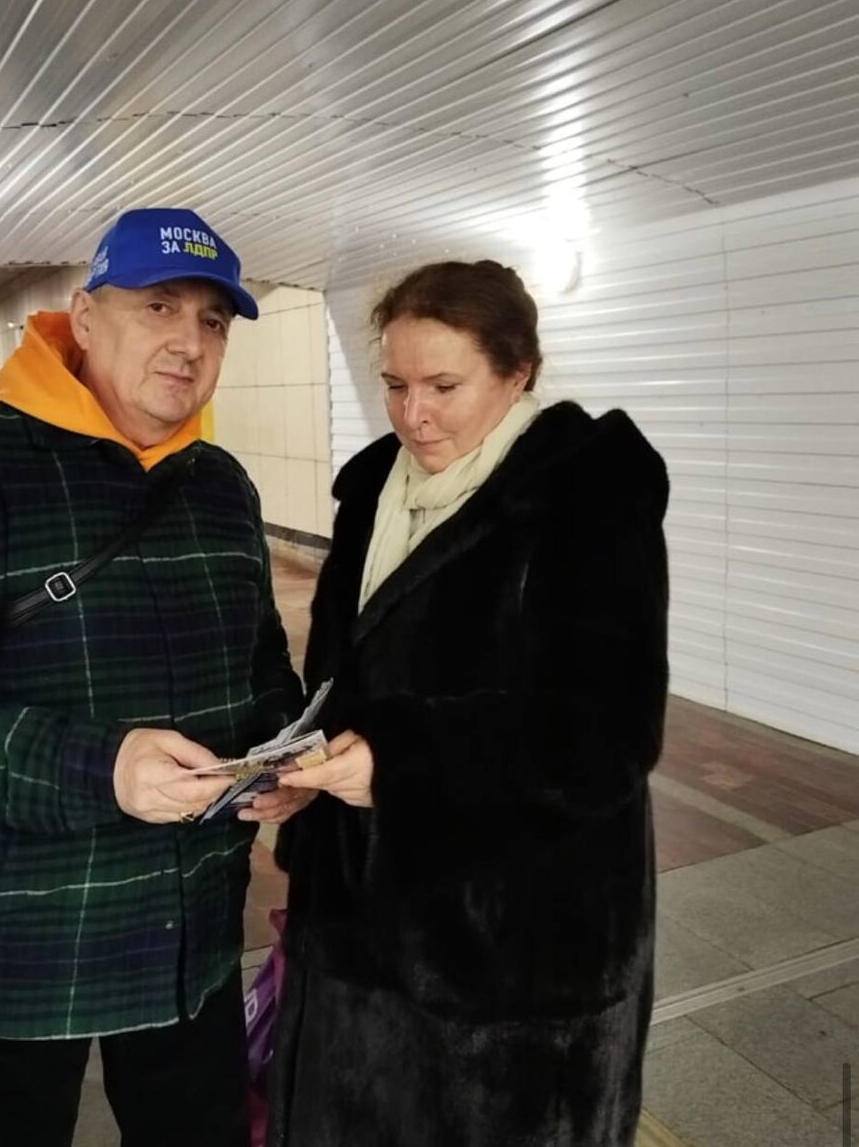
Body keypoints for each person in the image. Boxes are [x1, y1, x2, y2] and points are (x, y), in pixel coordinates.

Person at [0, 208, 306, 1147]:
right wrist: (101, 767)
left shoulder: (219, 485)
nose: (190, 342)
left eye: (213, 320)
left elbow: (258, 663)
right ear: (85, 320)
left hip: (186, 936)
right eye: (159, 306)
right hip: (6, 942)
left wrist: (281, 752)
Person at [266, 260, 670, 1147]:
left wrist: (402, 759)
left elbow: (605, 731)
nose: (413, 414)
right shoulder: (371, 493)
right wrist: (302, 772)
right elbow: (342, 677)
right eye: (395, 384)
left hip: (512, 953)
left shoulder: (585, 497)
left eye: (444, 386)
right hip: (359, 929)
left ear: (517, 372)